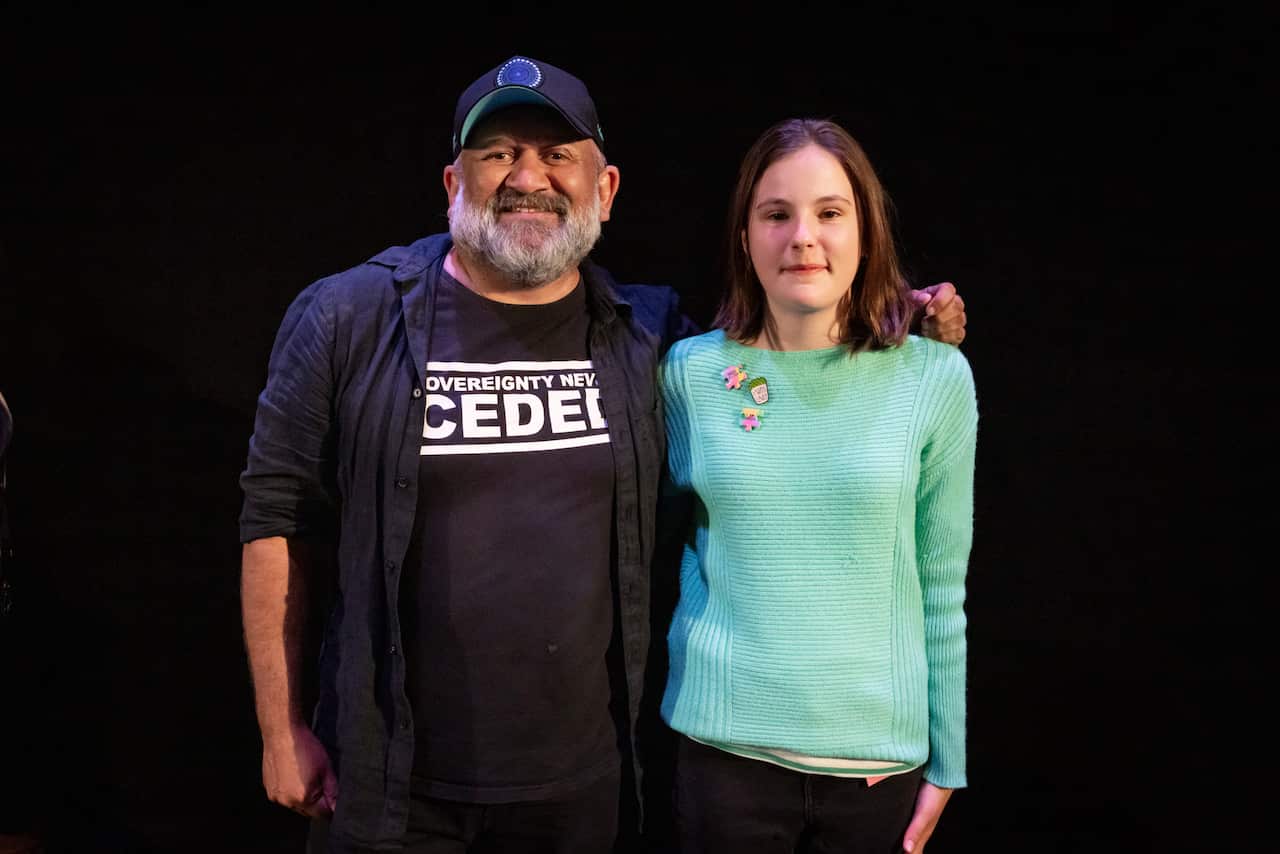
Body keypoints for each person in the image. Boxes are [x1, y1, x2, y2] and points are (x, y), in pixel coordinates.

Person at [238, 56, 968, 854]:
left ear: (606, 189)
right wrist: (282, 729)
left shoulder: (650, 336)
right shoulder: (347, 318)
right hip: (390, 785)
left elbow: (784, 356)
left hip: (582, 791)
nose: (528, 177)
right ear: (453, 182)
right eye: (497, 153)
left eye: (557, 155)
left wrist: (893, 314)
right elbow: (279, 519)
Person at [656, 117, 979, 853]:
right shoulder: (690, 375)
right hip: (724, 759)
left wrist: (949, 762)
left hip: (876, 769)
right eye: (777, 214)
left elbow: (941, 584)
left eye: (830, 213)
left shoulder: (933, 377)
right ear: (745, 235)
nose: (803, 235)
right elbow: (652, 543)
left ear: (865, 232)